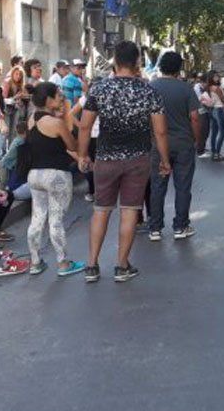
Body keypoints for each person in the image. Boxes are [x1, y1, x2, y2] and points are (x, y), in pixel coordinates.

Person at [77, 41, 171, 284]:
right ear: (138, 62)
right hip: (138, 159)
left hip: (106, 158)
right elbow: (160, 131)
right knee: (130, 210)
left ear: (115, 62)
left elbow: (85, 126)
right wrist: (164, 159)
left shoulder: (99, 89)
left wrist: (83, 154)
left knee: (101, 210)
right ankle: (121, 266)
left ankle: (91, 265)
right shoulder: (149, 91)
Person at [24, 82, 86, 277]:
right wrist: (66, 115)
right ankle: (63, 263)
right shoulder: (56, 123)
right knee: (56, 220)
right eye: (59, 95)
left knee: (37, 218)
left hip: (35, 175)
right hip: (56, 175)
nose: (62, 98)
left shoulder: (31, 119)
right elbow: (73, 146)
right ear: (49, 99)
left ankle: (35, 262)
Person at [147, 51, 200, 241]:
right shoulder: (186, 89)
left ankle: (155, 228)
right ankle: (180, 226)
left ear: (161, 66)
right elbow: (194, 117)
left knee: (157, 186)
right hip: (183, 143)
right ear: (179, 68)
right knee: (183, 186)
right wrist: (196, 139)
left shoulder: (151, 87)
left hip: (157, 145)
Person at [0, 121, 31, 201]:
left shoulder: (17, 139)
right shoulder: (20, 142)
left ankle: (2, 194)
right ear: (26, 132)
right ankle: (0, 195)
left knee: (5, 181)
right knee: (3, 182)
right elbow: (12, 154)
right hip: (6, 164)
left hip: (9, 164)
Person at [206, 70, 224, 162]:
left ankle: (214, 152)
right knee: (222, 132)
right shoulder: (217, 88)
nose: (217, 78)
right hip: (219, 109)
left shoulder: (209, 87)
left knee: (214, 132)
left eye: (217, 76)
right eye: (215, 76)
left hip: (212, 109)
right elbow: (223, 98)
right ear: (211, 78)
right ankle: (217, 153)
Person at [2, 65, 28, 144]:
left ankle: (11, 147)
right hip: (7, 110)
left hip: (16, 109)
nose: (18, 76)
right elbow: (3, 99)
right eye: (16, 74)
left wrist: (21, 99)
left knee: (14, 131)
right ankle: (2, 150)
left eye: (20, 75)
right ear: (12, 74)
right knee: (5, 132)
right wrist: (15, 98)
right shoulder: (7, 82)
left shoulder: (21, 84)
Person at [194, 73, 211, 157]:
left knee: (205, 130)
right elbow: (200, 100)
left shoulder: (201, 88)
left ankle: (201, 147)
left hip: (204, 111)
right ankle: (200, 150)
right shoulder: (197, 88)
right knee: (202, 131)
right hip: (200, 111)